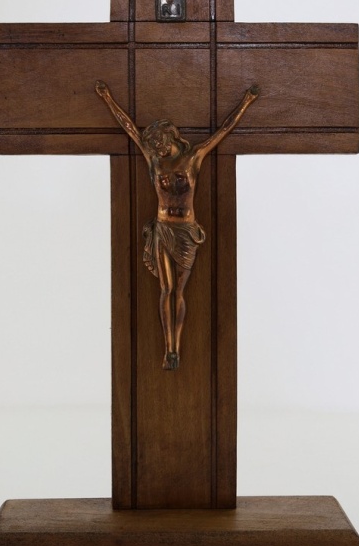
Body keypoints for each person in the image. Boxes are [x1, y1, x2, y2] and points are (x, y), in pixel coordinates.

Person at [95, 80, 259, 370]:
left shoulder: (193, 157)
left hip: (185, 232)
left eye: (159, 142)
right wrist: (107, 99)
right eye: (153, 145)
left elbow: (224, 130)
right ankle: (169, 350)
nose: (156, 147)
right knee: (167, 288)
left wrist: (246, 102)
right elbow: (129, 128)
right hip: (163, 229)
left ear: (170, 137)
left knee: (179, 291)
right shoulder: (154, 162)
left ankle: (177, 345)